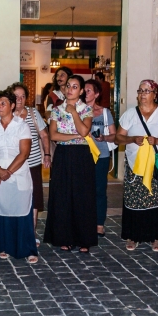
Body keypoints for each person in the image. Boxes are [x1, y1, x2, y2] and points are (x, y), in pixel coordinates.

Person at [115, 80, 158, 251]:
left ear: (155, 94)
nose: (143, 94)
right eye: (140, 90)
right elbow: (118, 138)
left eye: (147, 90)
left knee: (155, 199)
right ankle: (133, 236)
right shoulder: (130, 114)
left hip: (156, 165)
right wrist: (131, 139)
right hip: (135, 165)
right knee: (134, 200)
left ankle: (154, 237)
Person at [0, 89, 37, 263]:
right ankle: (5, 245)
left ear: (12, 105)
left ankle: (27, 248)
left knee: (20, 210)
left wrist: (8, 171)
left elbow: (24, 153)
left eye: (3, 103)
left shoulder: (22, 125)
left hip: (17, 172)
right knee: (1, 210)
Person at [44, 75, 97, 253]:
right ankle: (63, 237)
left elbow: (85, 130)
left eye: (75, 87)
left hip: (82, 155)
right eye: (68, 86)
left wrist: (73, 111)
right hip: (63, 155)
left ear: (81, 91)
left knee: (82, 196)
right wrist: (75, 136)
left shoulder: (86, 110)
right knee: (62, 196)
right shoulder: (56, 110)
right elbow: (54, 135)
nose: (70, 89)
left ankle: (84, 239)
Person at [11, 82, 50, 245]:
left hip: (33, 163)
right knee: (15, 199)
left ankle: (31, 233)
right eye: (16, 96)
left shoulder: (34, 113)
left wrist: (47, 154)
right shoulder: (6, 114)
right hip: (13, 165)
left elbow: (44, 135)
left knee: (34, 200)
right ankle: (14, 232)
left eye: (23, 96)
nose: (20, 99)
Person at [84, 79, 116, 237]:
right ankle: (84, 221)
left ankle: (99, 223)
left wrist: (104, 138)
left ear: (96, 94)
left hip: (101, 155)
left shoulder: (104, 113)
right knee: (83, 189)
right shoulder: (78, 110)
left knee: (99, 190)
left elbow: (114, 135)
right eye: (84, 90)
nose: (85, 92)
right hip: (82, 154)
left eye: (88, 90)